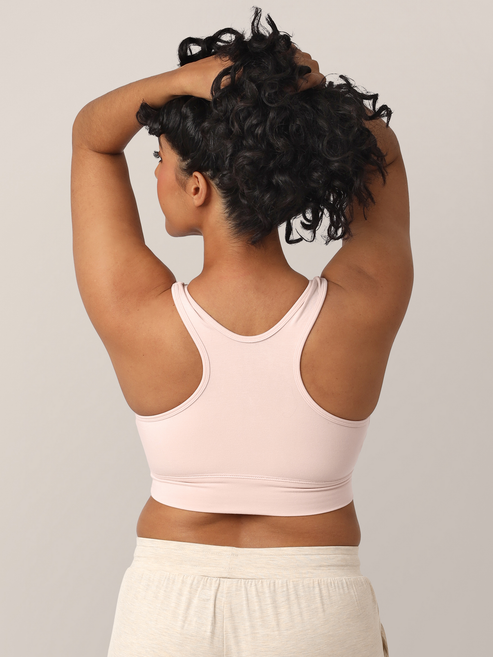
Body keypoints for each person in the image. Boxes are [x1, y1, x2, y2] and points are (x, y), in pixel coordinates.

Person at [71, 7, 411, 657]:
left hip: (167, 607)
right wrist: (295, 92)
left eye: (160, 160)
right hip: (316, 606)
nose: (155, 175)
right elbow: (383, 150)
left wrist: (188, 80)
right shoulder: (361, 306)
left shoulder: (137, 313)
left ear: (197, 186)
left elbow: (91, 136)